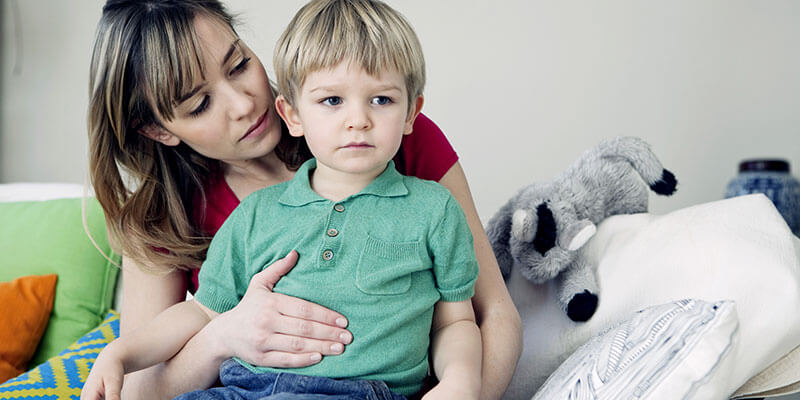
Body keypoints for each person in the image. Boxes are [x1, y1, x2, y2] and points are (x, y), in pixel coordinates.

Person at [87, 0, 521, 399]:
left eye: (238, 65)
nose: (243, 103)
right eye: (200, 104)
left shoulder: (392, 138)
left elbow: (490, 314)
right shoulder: (173, 216)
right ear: (159, 130)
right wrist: (224, 336)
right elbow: (137, 391)